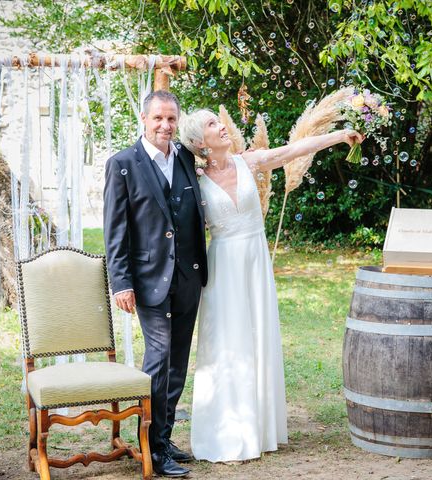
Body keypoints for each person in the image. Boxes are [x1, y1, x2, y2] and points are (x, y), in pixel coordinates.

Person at [178, 109, 363, 463]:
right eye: (213, 125)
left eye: (219, 122)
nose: (222, 127)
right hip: (223, 268)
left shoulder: (248, 163)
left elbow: (291, 151)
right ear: (201, 144)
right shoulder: (194, 181)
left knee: (256, 334)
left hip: (254, 261)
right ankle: (226, 429)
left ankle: (259, 426)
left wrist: (338, 137)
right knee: (225, 341)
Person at [103, 91, 207, 478]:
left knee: (178, 361)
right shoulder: (123, 164)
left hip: (188, 276)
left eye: (171, 119)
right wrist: (121, 283)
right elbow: (116, 231)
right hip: (147, 281)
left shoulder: (184, 157)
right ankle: (152, 447)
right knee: (158, 360)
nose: (165, 126)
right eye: (158, 118)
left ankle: (164, 436)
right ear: (144, 118)